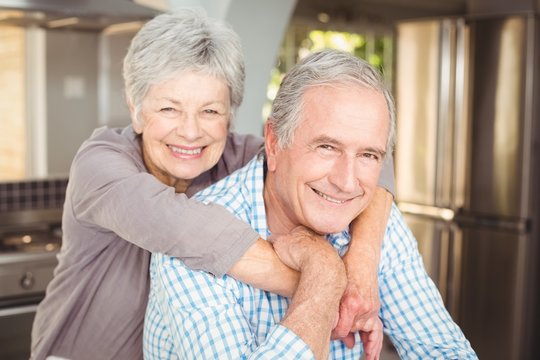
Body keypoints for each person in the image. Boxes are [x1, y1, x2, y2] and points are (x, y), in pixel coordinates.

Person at [30, 10, 395, 360]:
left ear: (231, 115)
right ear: (136, 109)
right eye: (169, 109)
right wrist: (329, 280)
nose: (190, 132)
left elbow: (371, 180)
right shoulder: (101, 164)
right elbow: (186, 229)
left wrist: (362, 264)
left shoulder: (243, 158)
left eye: (210, 111)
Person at [144, 49, 478, 359]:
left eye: (368, 155)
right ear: (274, 143)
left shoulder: (373, 223)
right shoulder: (191, 248)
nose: (347, 182)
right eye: (327, 147)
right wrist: (324, 272)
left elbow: (444, 350)